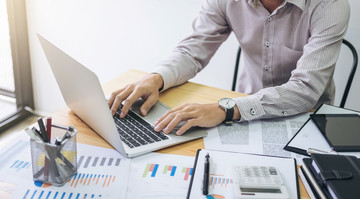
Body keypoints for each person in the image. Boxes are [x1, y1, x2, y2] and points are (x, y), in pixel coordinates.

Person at [108, 0, 350, 136]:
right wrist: (156, 78)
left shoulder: (330, 5)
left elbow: (305, 90)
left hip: (308, 118)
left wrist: (227, 109)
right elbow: (193, 50)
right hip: (244, 111)